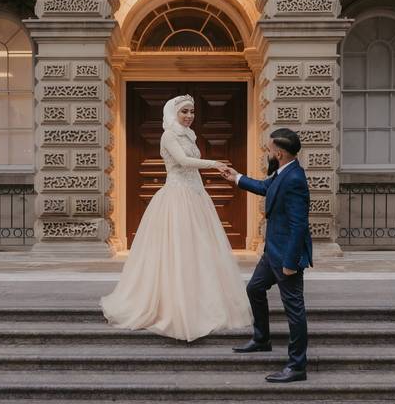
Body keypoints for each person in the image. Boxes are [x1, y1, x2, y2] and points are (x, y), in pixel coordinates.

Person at [100, 94, 252, 341]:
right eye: (184, 111)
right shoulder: (169, 135)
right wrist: (215, 162)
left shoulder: (189, 135)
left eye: (192, 111)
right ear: (174, 113)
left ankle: (201, 301)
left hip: (195, 195)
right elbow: (182, 162)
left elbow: (191, 164)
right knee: (177, 249)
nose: (189, 116)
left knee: (199, 249)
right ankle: (174, 305)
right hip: (177, 196)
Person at [221, 128, 311, 383]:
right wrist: (236, 177)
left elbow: (299, 225)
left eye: (269, 150)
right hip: (272, 252)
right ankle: (262, 339)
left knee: (295, 310)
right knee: (254, 289)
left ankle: (297, 367)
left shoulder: (294, 179)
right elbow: (264, 187)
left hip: (286, 257)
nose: (267, 153)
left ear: (279, 153)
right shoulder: (283, 172)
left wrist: (291, 263)